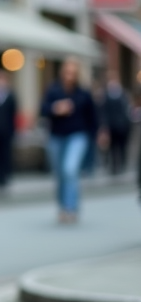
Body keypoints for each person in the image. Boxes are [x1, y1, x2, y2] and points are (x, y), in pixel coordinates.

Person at [41, 57, 99, 224]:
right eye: (67, 72)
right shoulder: (53, 90)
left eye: (72, 73)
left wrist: (97, 135)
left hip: (77, 135)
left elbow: (92, 117)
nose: (69, 76)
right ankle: (62, 207)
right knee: (60, 174)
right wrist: (55, 108)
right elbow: (42, 109)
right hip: (56, 136)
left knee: (70, 170)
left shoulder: (83, 93)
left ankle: (71, 207)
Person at [100, 71, 131, 176]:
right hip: (111, 126)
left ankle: (122, 164)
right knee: (113, 148)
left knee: (122, 147)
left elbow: (126, 110)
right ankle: (114, 167)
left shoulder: (123, 94)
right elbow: (104, 111)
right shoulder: (106, 95)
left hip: (122, 126)